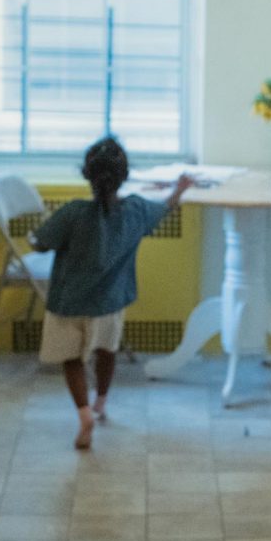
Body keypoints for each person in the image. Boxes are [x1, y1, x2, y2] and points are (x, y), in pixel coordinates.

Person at [30, 137, 193, 449]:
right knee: (107, 350)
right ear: (124, 175)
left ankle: (83, 414)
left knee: (71, 359)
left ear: (87, 175)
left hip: (68, 302)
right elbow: (165, 208)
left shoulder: (73, 213)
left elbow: (40, 243)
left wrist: (40, 235)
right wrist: (180, 188)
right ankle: (101, 403)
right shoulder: (136, 210)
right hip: (110, 303)